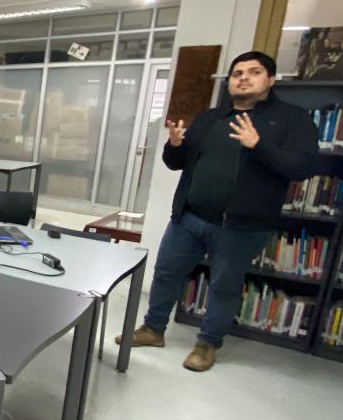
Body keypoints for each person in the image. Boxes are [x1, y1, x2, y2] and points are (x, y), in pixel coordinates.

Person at [118, 51, 318, 372]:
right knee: (167, 273)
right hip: (189, 217)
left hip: (240, 226)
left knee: (224, 286)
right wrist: (174, 145)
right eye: (237, 73)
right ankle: (153, 329)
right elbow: (177, 163)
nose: (243, 78)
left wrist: (259, 145)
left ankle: (208, 344)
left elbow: (303, 167)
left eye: (254, 72)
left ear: (270, 80)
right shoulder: (211, 118)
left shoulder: (291, 119)